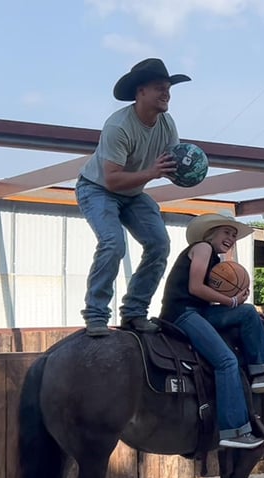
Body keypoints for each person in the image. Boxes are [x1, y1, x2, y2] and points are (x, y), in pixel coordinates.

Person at [160, 213, 264, 449]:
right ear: (211, 232)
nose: (231, 238)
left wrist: (235, 301)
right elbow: (195, 287)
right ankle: (233, 429)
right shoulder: (202, 247)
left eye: (234, 235)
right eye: (227, 232)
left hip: (199, 311)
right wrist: (230, 301)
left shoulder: (215, 258)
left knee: (248, 313)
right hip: (182, 313)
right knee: (226, 361)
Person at [75, 58, 192, 337]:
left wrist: (188, 171)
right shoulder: (119, 127)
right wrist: (152, 172)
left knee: (159, 243)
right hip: (98, 189)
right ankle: (95, 315)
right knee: (113, 243)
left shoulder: (166, 123)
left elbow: (173, 160)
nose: (166, 94)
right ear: (140, 92)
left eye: (168, 88)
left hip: (132, 193)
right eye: (158, 88)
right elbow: (112, 179)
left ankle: (134, 313)